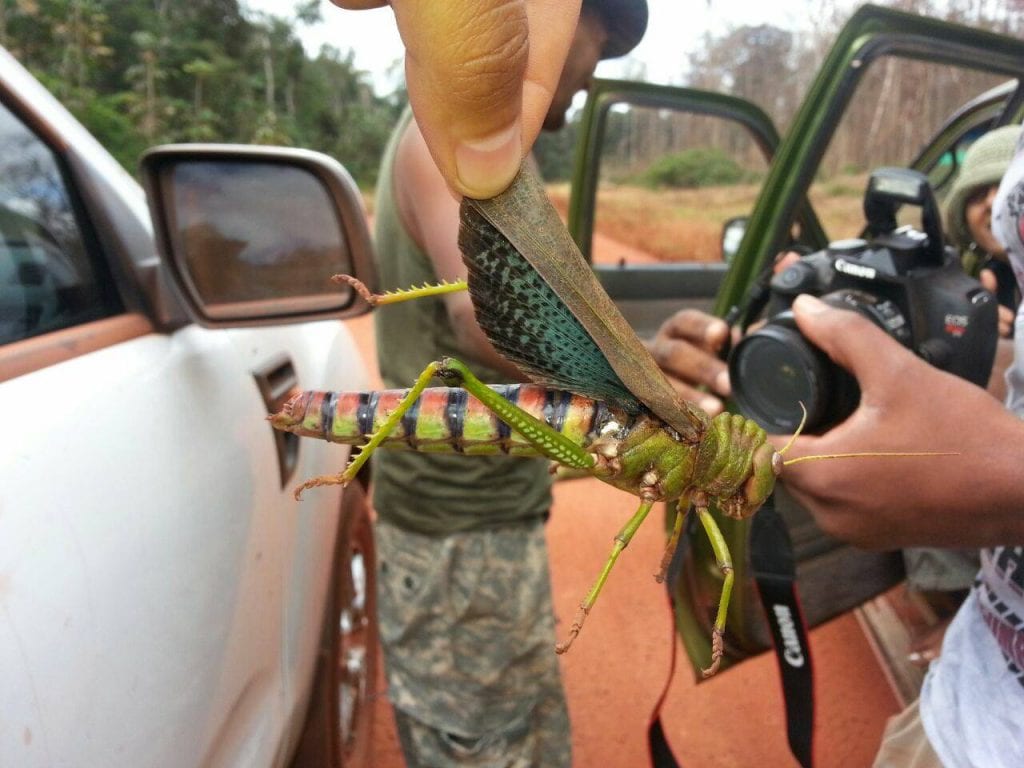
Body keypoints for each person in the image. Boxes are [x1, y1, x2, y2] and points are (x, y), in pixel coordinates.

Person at [366, 2, 648, 765]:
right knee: (482, 740)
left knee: (522, 723)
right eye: (599, 44)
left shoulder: (449, 138)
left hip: (476, 516)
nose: (588, 80)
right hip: (458, 523)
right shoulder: (455, 148)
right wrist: (641, 388)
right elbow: (472, 321)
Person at [945, 124, 1022, 339]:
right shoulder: (964, 278)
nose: (992, 201)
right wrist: (959, 328)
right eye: (978, 193)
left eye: (1010, 187)